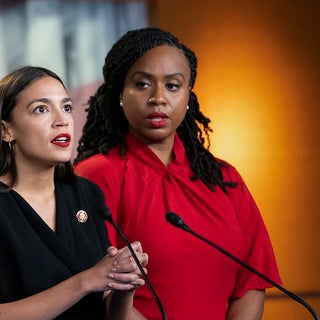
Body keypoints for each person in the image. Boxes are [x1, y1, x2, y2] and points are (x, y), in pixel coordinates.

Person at [74, 27, 281, 320]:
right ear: (120, 93)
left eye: (172, 86)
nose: (158, 98)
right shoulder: (94, 175)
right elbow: (100, 292)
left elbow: (251, 283)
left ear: (188, 96)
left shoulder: (225, 177)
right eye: (143, 84)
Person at [0, 66, 149, 320]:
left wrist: (123, 284)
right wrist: (86, 280)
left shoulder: (87, 195)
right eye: (41, 109)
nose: (62, 120)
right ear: (6, 130)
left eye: (67, 107)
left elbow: (107, 311)